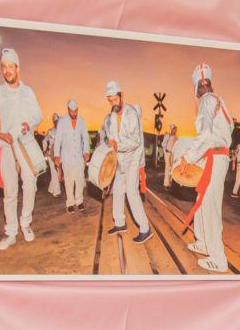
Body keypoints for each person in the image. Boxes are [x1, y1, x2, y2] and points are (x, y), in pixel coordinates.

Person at [177, 63, 234, 273]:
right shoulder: (219, 100)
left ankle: (218, 258)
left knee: (210, 207)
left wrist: (188, 157)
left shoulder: (206, 101)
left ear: (196, 88)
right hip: (216, 155)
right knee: (201, 202)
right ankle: (202, 241)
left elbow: (206, 135)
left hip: (215, 157)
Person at [0, 48, 42, 251]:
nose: (7, 71)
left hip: (25, 145)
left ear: (18, 68)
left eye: (11, 66)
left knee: (30, 186)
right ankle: (11, 232)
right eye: (4, 67)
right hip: (6, 145)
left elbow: (38, 115)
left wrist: (30, 125)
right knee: (10, 191)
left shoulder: (29, 92)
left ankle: (25, 223)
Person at [101, 80, 151, 243]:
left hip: (132, 160)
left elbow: (136, 140)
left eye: (115, 99)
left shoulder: (131, 113)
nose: (112, 103)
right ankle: (120, 223)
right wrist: (111, 144)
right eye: (110, 100)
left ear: (121, 96)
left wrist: (118, 145)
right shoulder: (112, 116)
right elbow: (113, 138)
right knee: (117, 190)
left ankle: (145, 228)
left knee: (131, 192)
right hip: (120, 160)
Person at [54, 100, 91, 214]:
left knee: (80, 180)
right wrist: (56, 155)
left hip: (79, 157)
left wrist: (86, 151)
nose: (74, 113)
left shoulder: (81, 121)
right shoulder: (62, 121)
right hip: (67, 157)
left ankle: (79, 201)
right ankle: (70, 203)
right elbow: (58, 139)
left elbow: (85, 137)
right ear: (68, 110)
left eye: (75, 111)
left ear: (77, 110)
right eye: (72, 111)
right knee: (69, 181)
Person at [43, 113, 62, 197]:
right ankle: (56, 192)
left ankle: (51, 188)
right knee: (54, 171)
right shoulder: (50, 131)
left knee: (57, 172)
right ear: (54, 123)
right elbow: (44, 141)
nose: (57, 123)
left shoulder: (62, 132)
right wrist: (45, 149)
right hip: (51, 154)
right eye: (56, 122)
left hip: (59, 154)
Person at [162, 124, 179, 188]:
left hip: (173, 155)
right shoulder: (167, 136)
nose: (175, 131)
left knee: (172, 169)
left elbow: (177, 146)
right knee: (167, 168)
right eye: (174, 129)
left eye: (176, 130)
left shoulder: (177, 137)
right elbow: (163, 144)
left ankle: (170, 183)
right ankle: (166, 184)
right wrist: (165, 151)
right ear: (171, 130)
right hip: (167, 154)